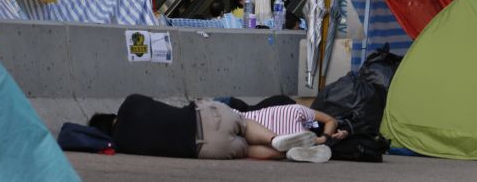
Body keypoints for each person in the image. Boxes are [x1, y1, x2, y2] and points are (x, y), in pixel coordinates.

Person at [104, 94, 330, 162]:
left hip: (205, 148)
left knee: (246, 150)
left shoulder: (123, 143)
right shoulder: (131, 102)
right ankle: (275, 140)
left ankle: (286, 153)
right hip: (205, 116)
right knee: (244, 124)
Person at [235, 103, 349, 149]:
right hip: (238, 122)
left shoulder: (298, 112)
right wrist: (324, 138)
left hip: (237, 120)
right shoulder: (298, 112)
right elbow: (331, 121)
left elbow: (330, 121)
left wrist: (324, 137)